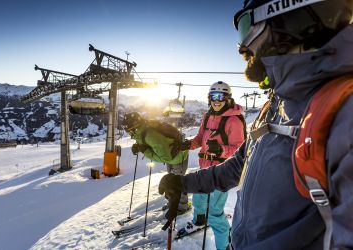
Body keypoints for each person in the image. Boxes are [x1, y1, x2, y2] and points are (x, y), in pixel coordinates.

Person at [158, 0, 353, 249]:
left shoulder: (344, 113)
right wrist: (184, 183)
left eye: (247, 26)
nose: (242, 47)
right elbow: (238, 166)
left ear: (291, 18)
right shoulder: (276, 105)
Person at [177, 81, 245, 250]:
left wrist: (220, 149)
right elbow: (201, 138)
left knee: (215, 214)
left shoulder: (234, 121)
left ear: (227, 98)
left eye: (220, 96)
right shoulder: (208, 116)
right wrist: (189, 144)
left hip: (221, 172)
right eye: (213, 96)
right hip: (204, 167)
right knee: (198, 199)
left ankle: (225, 246)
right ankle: (199, 220)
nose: (216, 100)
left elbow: (241, 152)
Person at [122, 112, 190, 214]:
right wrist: (139, 147)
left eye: (128, 128)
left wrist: (145, 151)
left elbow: (165, 157)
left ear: (133, 126)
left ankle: (182, 207)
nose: (127, 130)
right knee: (172, 182)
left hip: (178, 157)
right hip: (172, 155)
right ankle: (173, 203)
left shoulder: (149, 134)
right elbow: (149, 145)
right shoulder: (141, 131)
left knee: (177, 183)